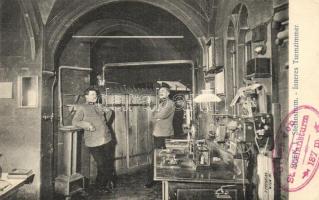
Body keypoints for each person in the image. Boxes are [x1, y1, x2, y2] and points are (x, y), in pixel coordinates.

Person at [72, 87, 114, 193]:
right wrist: (87, 125)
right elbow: (75, 121)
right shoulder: (82, 107)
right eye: (92, 95)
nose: (94, 96)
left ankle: (104, 183)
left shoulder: (99, 106)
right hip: (93, 141)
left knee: (107, 162)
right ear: (86, 96)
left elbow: (106, 119)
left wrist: (108, 111)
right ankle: (101, 184)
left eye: (95, 95)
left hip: (106, 138)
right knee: (101, 163)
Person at [144, 86, 175, 188]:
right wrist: (155, 113)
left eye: (163, 91)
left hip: (165, 135)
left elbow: (161, 115)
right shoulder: (162, 103)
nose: (160, 92)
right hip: (158, 134)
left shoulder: (170, 103)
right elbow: (155, 115)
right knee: (157, 157)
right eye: (160, 91)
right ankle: (156, 179)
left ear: (168, 93)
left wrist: (155, 114)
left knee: (165, 157)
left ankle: (160, 181)